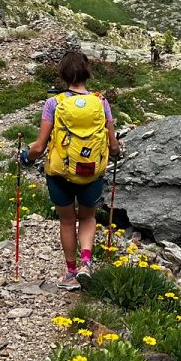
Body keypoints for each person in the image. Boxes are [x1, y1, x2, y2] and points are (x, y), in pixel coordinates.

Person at [20, 51, 120, 289]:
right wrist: (115, 152)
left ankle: (71, 272)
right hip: (91, 173)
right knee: (87, 217)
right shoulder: (101, 102)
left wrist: (26, 157)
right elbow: (113, 143)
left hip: (60, 174)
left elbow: (40, 146)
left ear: (63, 74)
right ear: (87, 73)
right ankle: (86, 263)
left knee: (67, 221)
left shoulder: (54, 103)